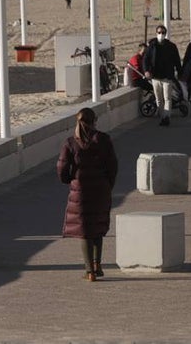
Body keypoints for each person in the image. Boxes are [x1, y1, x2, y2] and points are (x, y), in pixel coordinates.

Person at [57, 107, 118, 282]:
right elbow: (113, 165)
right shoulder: (104, 140)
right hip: (101, 188)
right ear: (94, 121)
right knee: (97, 225)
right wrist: (108, 184)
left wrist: (69, 179)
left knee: (85, 230)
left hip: (81, 190)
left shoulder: (71, 143)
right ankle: (98, 264)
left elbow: (62, 168)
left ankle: (89, 270)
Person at [143, 25, 182, 127]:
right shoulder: (152, 46)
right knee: (159, 99)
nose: (161, 34)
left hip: (167, 77)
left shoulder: (171, 46)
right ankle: (162, 116)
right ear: (156, 33)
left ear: (166, 33)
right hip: (155, 77)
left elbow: (177, 60)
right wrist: (146, 71)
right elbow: (145, 60)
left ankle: (166, 117)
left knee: (167, 98)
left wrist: (180, 72)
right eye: (159, 32)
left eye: (163, 32)